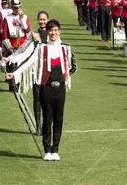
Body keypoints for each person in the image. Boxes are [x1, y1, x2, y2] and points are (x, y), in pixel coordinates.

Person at [5, 18, 77, 161]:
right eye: (51, 31)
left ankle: (56, 148)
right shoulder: (42, 48)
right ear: (48, 32)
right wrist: (14, 73)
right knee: (47, 119)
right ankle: (47, 149)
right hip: (46, 88)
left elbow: (72, 67)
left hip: (60, 88)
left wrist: (64, 78)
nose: (53, 33)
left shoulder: (66, 48)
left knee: (59, 119)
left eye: (55, 30)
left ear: (59, 31)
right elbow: (28, 62)